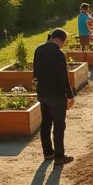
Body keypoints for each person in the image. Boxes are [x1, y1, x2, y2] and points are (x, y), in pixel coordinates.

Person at [34, 28, 76, 165]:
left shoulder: (39, 49)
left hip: (42, 93)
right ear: (60, 39)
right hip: (56, 95)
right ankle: (59, 156)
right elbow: (63, 77)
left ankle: (48, 152)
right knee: (59, 125)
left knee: (45, 124)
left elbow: (35, 72)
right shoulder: (58, 54)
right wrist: (70, 96)